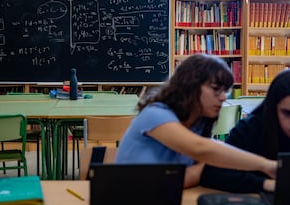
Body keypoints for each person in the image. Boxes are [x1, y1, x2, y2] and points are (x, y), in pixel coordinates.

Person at [115, 53, 276, 188]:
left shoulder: (198, 124)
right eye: (215, 89)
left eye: (225, 92)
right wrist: (266, 165)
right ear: (190, 85)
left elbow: (198, 173)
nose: (222, 98)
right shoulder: (155, 114)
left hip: (162, 199)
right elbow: (201, 151)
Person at [200, 67, 290, 193]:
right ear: (273, 110)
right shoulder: (249, 129)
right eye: (287, 113)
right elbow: (213, 173)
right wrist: (265, 184)